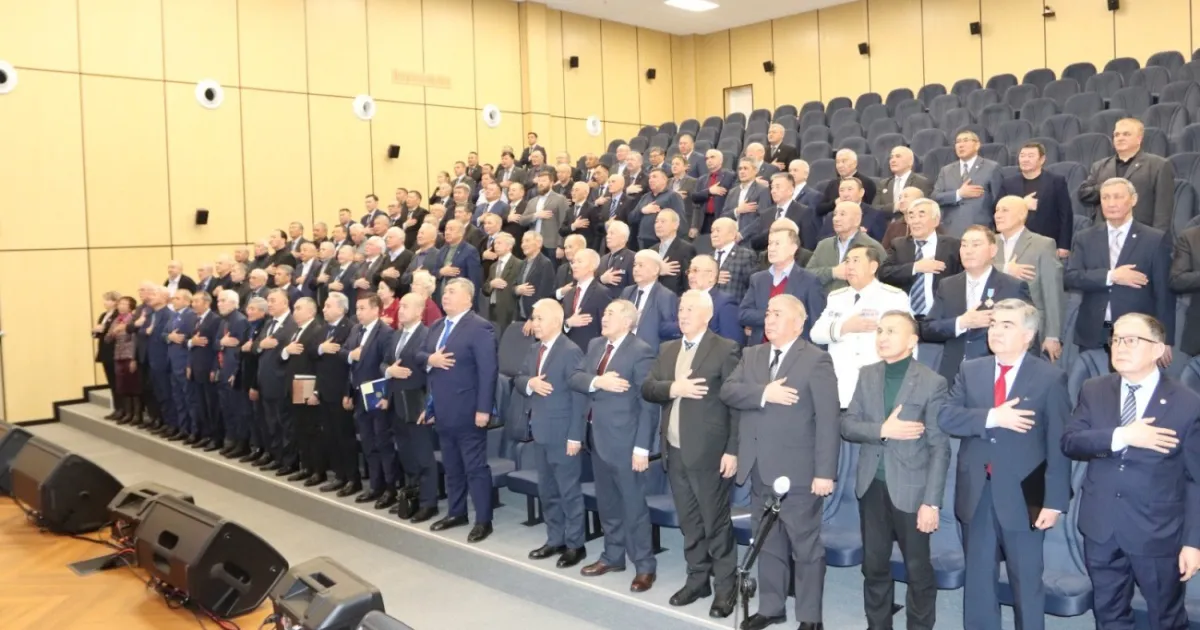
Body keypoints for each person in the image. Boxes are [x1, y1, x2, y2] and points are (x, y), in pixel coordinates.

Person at [938, 299, 1071, 630]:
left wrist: (1054, 502)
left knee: (1026, 581)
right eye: (993, 323)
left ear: (1028, 335)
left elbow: (1059, 445)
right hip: (976, 491)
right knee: (979, 580)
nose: (995, 330)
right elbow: (946, 416)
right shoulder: (972, 369)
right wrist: (993, 417)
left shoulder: (1049, 378)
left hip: (1025, 495)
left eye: (1006, 325)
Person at [1062, 313, 1200, 629]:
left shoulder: (1188, 403)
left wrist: (1193, 543)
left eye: (1132, 340)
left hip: (1158, 532)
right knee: (1109, 616)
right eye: (1116, 339)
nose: (1120, 347)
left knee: (1166, 618)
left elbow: (1196, 479)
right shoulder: (1093, 389)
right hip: (1101, 525)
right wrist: (1123, 436)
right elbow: (1071, 441)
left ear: (1157, 350)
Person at [721, 294, 841, 630]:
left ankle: (810, 617)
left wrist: (825, 472)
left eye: (777, 313)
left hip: (800, 473)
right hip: (760, 468)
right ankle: (772, 607)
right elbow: (728, 391)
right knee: (767, 543)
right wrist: (763, 393)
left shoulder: (816, 360)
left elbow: (829, 421)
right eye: (768, 312)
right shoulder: (752, 354)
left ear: (799, 322)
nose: (769, 319)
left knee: (806, 547)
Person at [840, 311, 950, 630]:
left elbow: (939, 447)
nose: (882, 337)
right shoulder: (867, 374)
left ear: (912, 341)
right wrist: (882, 430)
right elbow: (847, 425)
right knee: (873, 566)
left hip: (913, 491)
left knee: (917, 570)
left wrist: (931, 502)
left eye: (891, 331)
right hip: (871, 486)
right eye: (880, 330)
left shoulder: (932, 382)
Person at [642, 290, 741, 617]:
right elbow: (648, 388)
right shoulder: (667, 348)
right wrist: (674, 388)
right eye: (681, 308)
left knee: (716, 523)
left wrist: (733, 450)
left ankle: (726, 588)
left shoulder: (725, 349)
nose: (682, 314)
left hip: (710, 454)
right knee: (690, 522)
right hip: (675, 451)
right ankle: (698, 578)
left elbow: (736, 407)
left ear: (707, 315)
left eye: (690, 309)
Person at [571, 300, 659, 592]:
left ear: (627, 321)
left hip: (626, 441)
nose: (604, 316)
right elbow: (576, 378)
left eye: (610, 313)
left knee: (633, 506)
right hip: (598, 437)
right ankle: (613, 555)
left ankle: (644, 566)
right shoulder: (596, 345)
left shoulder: (641, 351)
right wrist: (599, 381)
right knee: (607, 503)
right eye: (604, 312)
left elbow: (648, 404)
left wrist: (642, 448)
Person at [418, 278, 499, 543]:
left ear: (469, 298)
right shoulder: (437, 326)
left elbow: (488, 371)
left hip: (468, 409)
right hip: (441, 408)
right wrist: (431, 360)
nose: (446, 296)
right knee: (452, 466)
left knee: (475, 467)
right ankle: (457, 512)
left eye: (453, 292)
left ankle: (484, 520)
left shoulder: (479, 327)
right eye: (445, 292)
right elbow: (419, 355)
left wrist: (484, 409)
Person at [1066, 177, 1175, 365]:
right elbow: (1071, 277)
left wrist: (1164, 338)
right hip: (1094, 330)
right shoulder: (1086, 237)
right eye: (1105, 198)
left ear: (1133, 200)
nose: (1111, 203)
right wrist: (1111, 276)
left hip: (1138, 332)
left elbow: (1164, 294)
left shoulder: (1154, 239)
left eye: (1117, 197)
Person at [516, 299, 589, 568]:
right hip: (541, 430)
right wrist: (530, 384)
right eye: (533, 318)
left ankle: (575, 544)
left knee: (568, 491)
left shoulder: (570, 351)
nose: (534, 323)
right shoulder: (535, 348)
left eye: (539, 319)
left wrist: (575, 436)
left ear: (557, 321)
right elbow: (519, 378)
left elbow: (580, 397)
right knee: (547, 490)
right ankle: (555, 538)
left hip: (563, 433)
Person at [920, 225, 1031, 385]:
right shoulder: (948, 285)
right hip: (952, 375)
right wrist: (961, 322)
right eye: (964, 245)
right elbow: (928, 329)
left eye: (976, 245)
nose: (968, 250)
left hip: (995, 374)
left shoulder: (1012, 287)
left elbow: (1029, 336)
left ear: (993, 250)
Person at [811, 244, 912, 410]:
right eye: (847, 261)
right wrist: (845, 327)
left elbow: (907, 342)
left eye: (856, 261)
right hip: (841, 383)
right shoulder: (836, 297)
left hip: (878, 382)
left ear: (873, 267)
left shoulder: (894, 297)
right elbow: (816, 333)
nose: (849, 266)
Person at [384, 292, 439, 523]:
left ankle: (429, 503)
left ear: (419, 311)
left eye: (406, 306)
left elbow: (434, 376)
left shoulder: (427, 336)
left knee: (423, 456)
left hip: (417, 402)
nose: (400, 310)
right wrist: (389, 372)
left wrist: (431, 406)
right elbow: (384, 362)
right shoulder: (396, 335)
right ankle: (412, 496)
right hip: (397, 402)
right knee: (406, 454)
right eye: (400, 306)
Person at [993, 195, 1065, 362]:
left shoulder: (1043, 244)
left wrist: (1052, 335)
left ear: (1022, 215)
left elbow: (1052, 291)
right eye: (996, 210)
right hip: (992, 323)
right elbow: (975, 269)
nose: (998, 215)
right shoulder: (989, 243)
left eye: (1005, 210)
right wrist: (1005, 268)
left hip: (1029, 328)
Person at [342, 292, 397, 509]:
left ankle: (390, 487)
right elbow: (347, 357)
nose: (359, 312)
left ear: (376, 309)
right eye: (357, 308)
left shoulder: (386, 333)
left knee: (383, 442)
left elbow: (387, 364)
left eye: (363, 308)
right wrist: (348, 390)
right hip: (358, 393)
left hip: (376, 393)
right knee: (368, 442)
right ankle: (375, 485)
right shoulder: (356, 329)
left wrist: (385, 395)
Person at [740, 226, 826, 344]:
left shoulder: (809, 281)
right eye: (770, 244)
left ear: (793, 249)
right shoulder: (758, 279)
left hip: (795, 351)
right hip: (760, 350)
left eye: (777, 244)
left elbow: (816, 322)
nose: (771, 248)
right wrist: (772, 316)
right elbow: (743, 314)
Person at [314, 292, 361, 496]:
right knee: (330, 435)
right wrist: (320, 348)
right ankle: (339, 475)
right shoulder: (323, 328)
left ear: (341, 309)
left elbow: (350, 365)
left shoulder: (350, 328)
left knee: (345, 437)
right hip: (324, 389)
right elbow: (313, 354)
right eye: (324, 306)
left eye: (328, 306)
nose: (323, 309)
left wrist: (347, 393)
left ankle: (353, 478)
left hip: (341, 390)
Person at [280, 297, 325, 483]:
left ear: (311, 311)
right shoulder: (296, 331)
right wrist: (285, 351)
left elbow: (319, 364)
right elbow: (285, 356)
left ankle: (317, 470)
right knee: (300, 427)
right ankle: (305, 466)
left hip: (308, 383)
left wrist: (316, 391)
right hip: (295, 383)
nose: (294, 311)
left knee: (311, 429)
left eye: (298, 308)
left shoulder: (317, 330)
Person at [253, 289, 297, 472]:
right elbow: (256, 345)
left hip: (282, 381)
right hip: (266, 380)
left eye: (273, 301)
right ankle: (276, 456)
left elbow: (291, 353)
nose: (269, 304)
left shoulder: (292, 324)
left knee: (285, 424)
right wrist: (260, 345)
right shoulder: (269, 323)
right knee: (271, 422)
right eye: (268, 300)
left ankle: (289, 461)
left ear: (285, 303)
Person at [214, 290, 251, 458]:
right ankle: (231, 439)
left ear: (233, 302)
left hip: (232, 371)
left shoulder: (240, 321)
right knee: (226, 407)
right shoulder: (224, 321)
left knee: (238, 409)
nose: (219, 304)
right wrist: (222, 342)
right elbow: (215, 343)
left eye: (223, 301)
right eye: (219, 300)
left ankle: (241, 443)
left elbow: (241, 348)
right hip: (223, 369)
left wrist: (236, 372)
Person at [620, 249, 681, 351]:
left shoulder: (665, 295)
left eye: (641, 265)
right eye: (635, 265)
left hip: (648, 352)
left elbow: (670, 330)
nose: (635, 269)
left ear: (656, 270)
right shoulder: (627, 291)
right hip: (623, 348)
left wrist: (642, 320)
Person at [186, 291, 222, 451]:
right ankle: (205, 434)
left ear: (206, 303)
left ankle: (215, 437)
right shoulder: (194, 319)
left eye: (196, 301)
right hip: (195, 366)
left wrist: (215, 368)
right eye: (192, 301)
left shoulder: (215, 320)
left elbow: (216, 347)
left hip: (208, 368)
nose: (193, 304)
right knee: (200, 403)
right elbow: (190, 342)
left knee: (211, 404)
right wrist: (189, 363)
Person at [686, 254, 744, 344]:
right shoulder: (683, 300)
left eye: (695, 270)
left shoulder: (725, 303)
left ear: (711, 276)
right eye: (689, 271)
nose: (690, 275)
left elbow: (732, 344)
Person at [107, 296, 139, 423]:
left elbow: (136, 339)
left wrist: (133, 357)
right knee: (122, 386)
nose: (121, 306)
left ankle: (136, 415)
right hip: (118, 356)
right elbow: (107, 339)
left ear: (130, 306)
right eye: (119, 304)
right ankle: (127, 412)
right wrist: (113, 332)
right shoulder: (116, 320)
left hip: (129, 355)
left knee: (133, 385)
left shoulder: (133, 319)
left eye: (124, 304)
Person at [94, 291, 120, 418]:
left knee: (117, 382)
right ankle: (116, 408)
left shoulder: (118, 315)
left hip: (114, 351)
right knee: (111, 381)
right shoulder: (103, 315)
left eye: (108, 300)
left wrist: (104, 330)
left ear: (115, 302)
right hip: (104, 351)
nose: (105, 302)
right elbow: (98, 333)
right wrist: (95, 331)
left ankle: (121, 409)